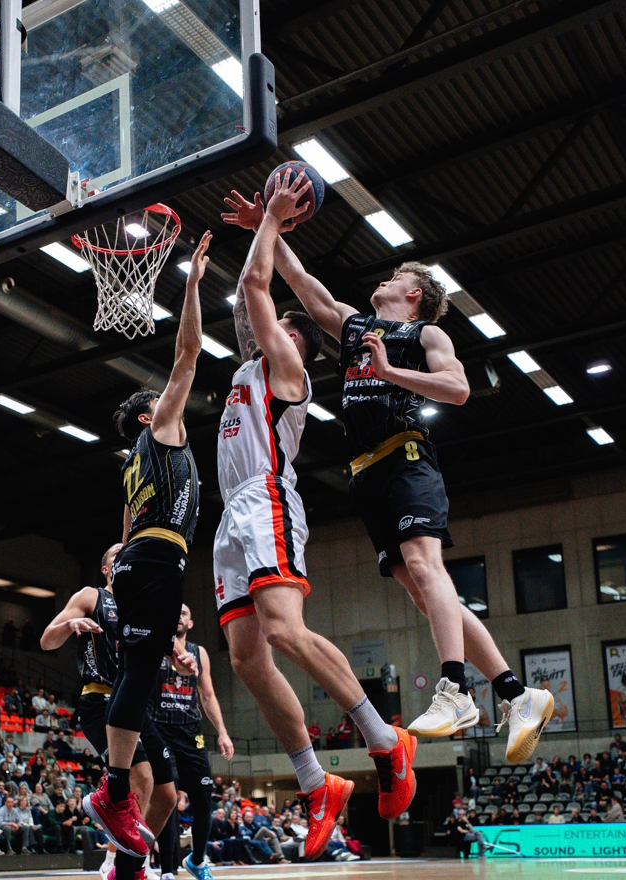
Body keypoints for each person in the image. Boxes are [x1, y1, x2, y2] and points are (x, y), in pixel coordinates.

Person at [223, 189, 554, 763]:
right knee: (427, 598)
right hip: (367, 474)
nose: (383, 280)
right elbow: (297, 277)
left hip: (405, 456)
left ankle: (455, 689)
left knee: (429, 571)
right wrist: (267, 225)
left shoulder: (423, 336)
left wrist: (390, 371)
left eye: (395, 277)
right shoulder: (355, 328)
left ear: (414, 293)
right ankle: (517, 692)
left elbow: (458, 389)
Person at [215, 173, 413, 850]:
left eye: (283, 327)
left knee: (285, 633)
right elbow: (250, 301)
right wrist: (260, 230)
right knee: (245, 657)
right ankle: (314, 781)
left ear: (298, 345)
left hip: (268, 498)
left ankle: (386, 742)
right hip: (229, 520)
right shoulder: (251, 365)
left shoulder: (290, 376)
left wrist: (270, 218)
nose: (269, 328)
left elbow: (254, 292)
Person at [82, 232, 210, 863]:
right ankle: (111, 792)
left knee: (139, 671)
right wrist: (189, 287)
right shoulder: (159, 431)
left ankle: (113, 795)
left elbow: (125, 527)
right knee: (138, 673)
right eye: (159, 401)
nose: (174, 402)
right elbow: (187, 353)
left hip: (143, 560)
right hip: (155, 560)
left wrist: (122, 570)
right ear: (147, 414)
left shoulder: (139, 465)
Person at [41, 542, 173, 878]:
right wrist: (71, 626)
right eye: (119, 557)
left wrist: (178, 660)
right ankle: (117, 866)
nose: (128, 562)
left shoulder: (139, 603)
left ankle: (135, 864)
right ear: (106, 568)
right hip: (100, 701)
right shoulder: (91, 596)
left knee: (167, 795)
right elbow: (47, 640)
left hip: (135, 704)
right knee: (140, 779)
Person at [153, 603, 235, 880]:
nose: (177, 615)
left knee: (203, 801)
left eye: (184, 613)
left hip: (191, 735)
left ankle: (197, 860)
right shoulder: (155, 645)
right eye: (173, 611)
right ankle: (166, 870)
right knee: (168, 801)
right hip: (160, 732)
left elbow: (208, 696)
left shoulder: (199, 653)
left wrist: (222, 732)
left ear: (191, 623)